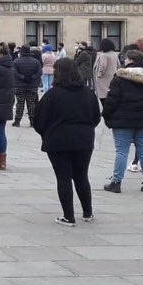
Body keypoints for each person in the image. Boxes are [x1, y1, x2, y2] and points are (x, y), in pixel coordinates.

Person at [33, 58, 102, 225]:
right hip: (83, 139)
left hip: (58, 140)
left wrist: (46, 132)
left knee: (63, 178)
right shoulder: (88, 92)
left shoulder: (52, 94)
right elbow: (96, 117)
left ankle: (68, 216)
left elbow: (39, 119)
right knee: (81, 176)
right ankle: (87, 212)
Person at [102, 50, 143, 194]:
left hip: (122, 119)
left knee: (121, 151)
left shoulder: (120, 77)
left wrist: (107, 115)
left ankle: (116, 182)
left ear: (130, 60)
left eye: (126, 59)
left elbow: (112, 99)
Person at [12, 44, 41, 127]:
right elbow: (39, 72)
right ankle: (32, 121)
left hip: (19, 85)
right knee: (31, 103)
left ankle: (17, 121)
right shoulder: (36, 61)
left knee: (20, 103)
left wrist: (23, 78)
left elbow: (14, 73)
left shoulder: (16, 61)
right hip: (32, 85)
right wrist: (32, 77)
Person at [92, 38, 120, 105]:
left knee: (103, 97)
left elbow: (103, 66)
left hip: (103, 80)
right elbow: (118, 65)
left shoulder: (104, 55)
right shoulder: (114, 54)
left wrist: (99, 75)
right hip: (112, 78)